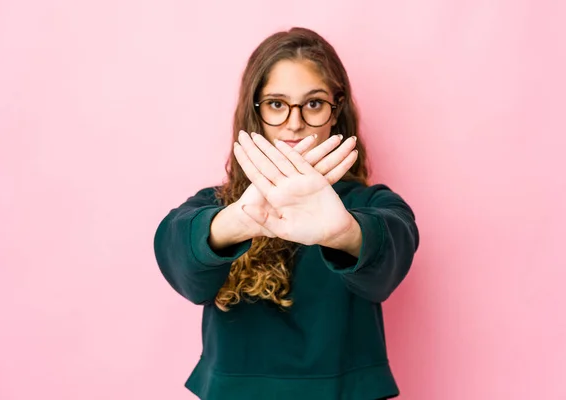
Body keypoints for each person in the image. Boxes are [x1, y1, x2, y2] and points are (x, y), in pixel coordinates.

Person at [153, 27, 420, 400]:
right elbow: (178, 254)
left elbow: (394, 246)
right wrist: (235, 221)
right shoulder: (218, 205)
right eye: (277, 104)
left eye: (313, 104)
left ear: (335, 112)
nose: (295, 123)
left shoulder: (372, 205)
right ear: (255, 112)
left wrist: (344, 233)